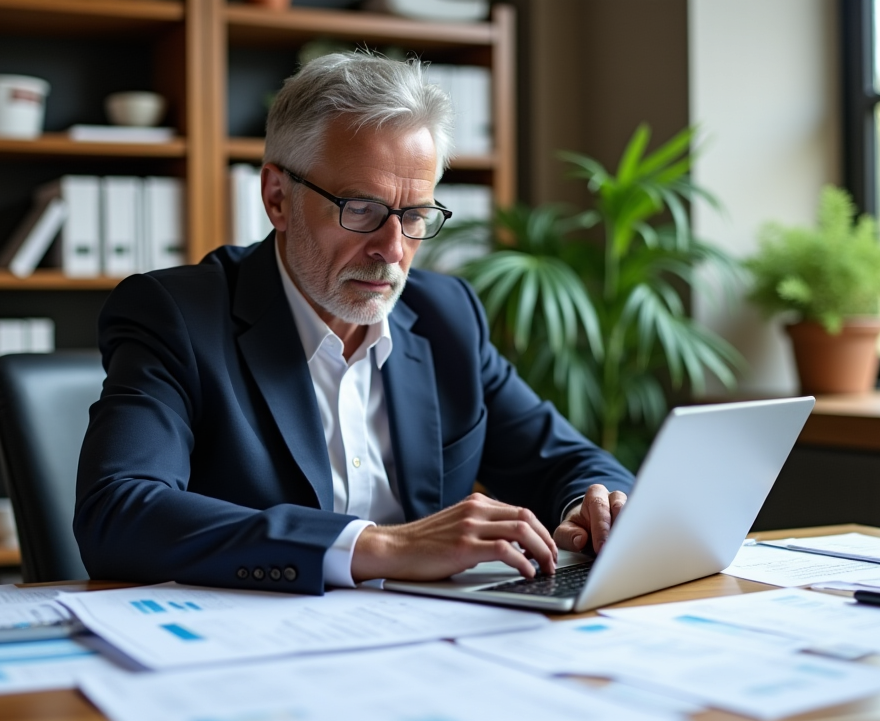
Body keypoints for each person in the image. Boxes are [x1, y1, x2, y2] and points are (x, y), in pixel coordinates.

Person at [74, 52, 634, 595]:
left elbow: (569, 461)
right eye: (361, 209)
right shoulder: (176, 316)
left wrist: (596, 508)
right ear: (277, 198)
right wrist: (380, 547)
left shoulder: (447, 316)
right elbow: (117, 512)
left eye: (415, 215)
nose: (392, 249)